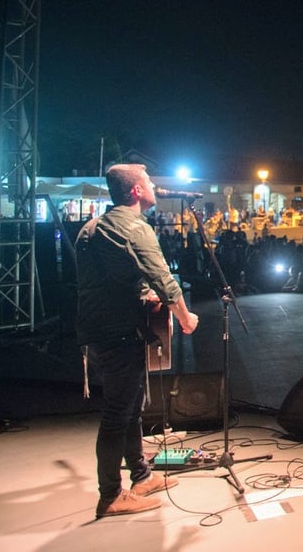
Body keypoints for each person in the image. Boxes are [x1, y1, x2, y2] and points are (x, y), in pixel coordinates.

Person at [77, 164, 200, 519]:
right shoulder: (133, 227)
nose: (154, 187)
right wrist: (185, 317)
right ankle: (111, 495)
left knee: (129, 407)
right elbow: (162, 277)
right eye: (148, 182)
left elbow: (113, 279)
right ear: (134, 192)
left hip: (100, 331)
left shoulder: (94, 227)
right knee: (117, 413)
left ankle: (141, 476)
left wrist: (142, 295)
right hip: (118, 333)